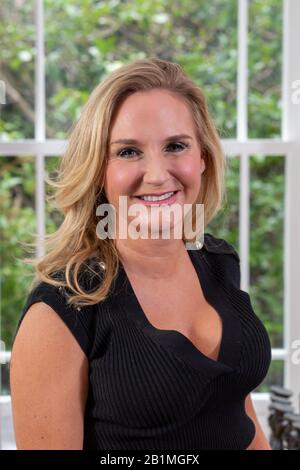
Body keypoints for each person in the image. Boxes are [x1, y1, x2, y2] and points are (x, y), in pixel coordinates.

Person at [10, 57, 272, 450]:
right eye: (129, 152)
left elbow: (234, 408)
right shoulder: (62, 309)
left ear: (202, 157)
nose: (156, 174)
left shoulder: (218, 261)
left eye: (176, 146)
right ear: (100, 170)